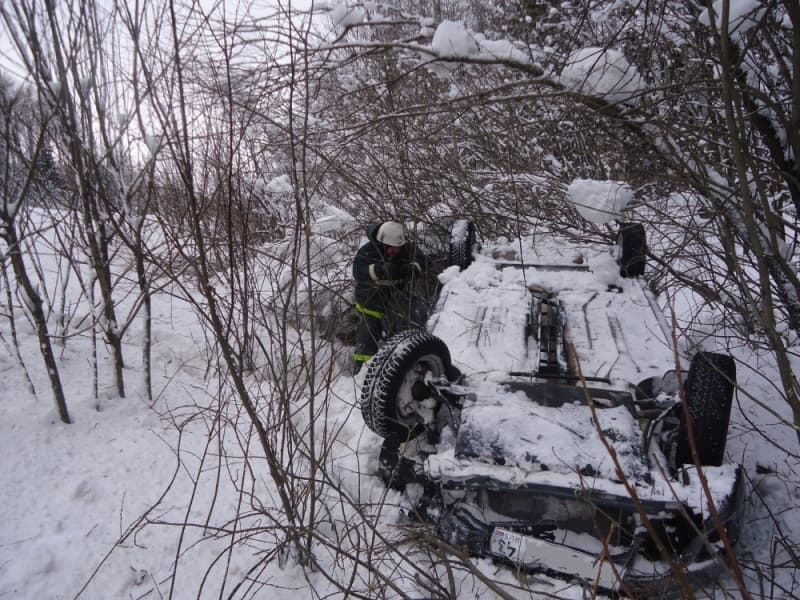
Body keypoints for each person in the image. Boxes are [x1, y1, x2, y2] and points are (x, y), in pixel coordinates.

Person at [352, 221, 428, 374]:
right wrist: (379, 270)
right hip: (369, 303)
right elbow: (358, 272)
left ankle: (402, 370)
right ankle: (361, 374)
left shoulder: (408, 249)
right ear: (382, 243)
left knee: (404, 336)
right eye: (392, 248)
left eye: (398, 248)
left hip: (396, 302)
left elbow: (421, 262)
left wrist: (412, 268)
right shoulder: (368, 252)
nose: (395, 251)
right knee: (366, 342)